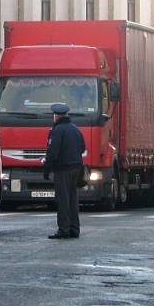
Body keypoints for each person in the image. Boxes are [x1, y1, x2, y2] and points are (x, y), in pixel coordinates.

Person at [43, 102, 86, 239]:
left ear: (56, 116)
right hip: (76, 168)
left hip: (62, 169)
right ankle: (74, 229)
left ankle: (63, 229)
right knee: (73, 199)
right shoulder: (75, 129)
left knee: (63, 199)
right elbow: (83, 147)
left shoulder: (57, 130)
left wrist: (46, 169)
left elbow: (52, 152)